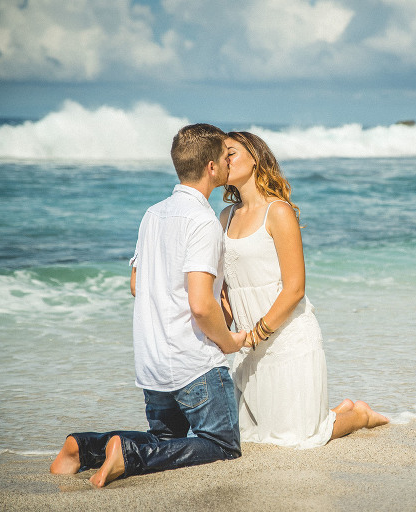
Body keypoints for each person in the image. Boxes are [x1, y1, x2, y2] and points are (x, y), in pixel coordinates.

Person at [50, 124, 248, 487]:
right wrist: (230, 341)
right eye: (224, 157)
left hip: (152, 363)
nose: (227, 163)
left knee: (168, 442)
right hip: (194, 365)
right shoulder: (203, 221)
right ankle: (128, 453)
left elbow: (136, 284)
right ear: (210, 167)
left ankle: (86, 446)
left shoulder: (152, 214)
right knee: (223, 445)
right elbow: (201, 306)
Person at [219, 131, 389, 449]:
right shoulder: (226, 217)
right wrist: (222, 336)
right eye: (220, 156)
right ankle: (335, 412)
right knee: (251, 436)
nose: (224, 160)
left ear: (255, 158)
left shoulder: (278, 211)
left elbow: (295, 289)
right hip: (248, 348)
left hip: (285, 339)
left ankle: (360, 415)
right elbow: (227, 287)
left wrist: (256, 334)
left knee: (297, 439)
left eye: (232, 153)